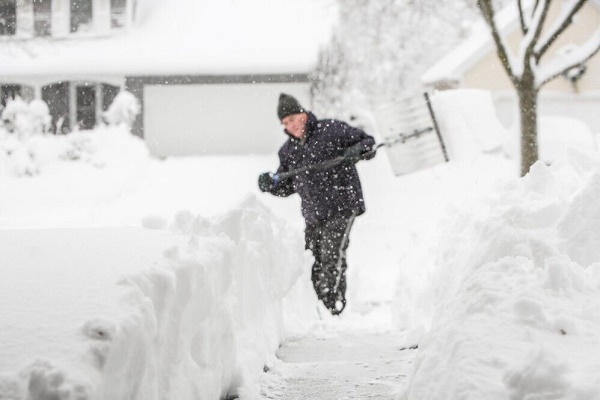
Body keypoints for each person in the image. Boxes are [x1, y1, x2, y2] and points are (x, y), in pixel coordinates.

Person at [258, 93, 375, 315]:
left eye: (292, 119)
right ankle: (318, 307)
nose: (289, 126)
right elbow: (286, 184)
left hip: (342, 203)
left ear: (303, 113)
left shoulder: (331, 129)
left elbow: (367, 142)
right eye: (284, 123)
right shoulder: (288, 151)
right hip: (314, 213)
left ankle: (332, 303)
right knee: (313, 257)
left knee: (332, 254)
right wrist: (270, 184)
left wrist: (356, 151)